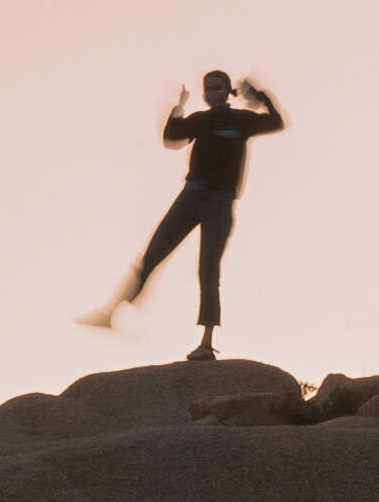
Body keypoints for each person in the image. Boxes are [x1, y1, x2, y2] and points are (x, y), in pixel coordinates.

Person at [82, 71, 283, 353]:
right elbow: (170, 137)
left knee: (208, 270)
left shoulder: (241, 120)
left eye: (217, 87)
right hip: (190, 196)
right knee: (151, 255)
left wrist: (261, 96)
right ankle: (110, 314)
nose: (212, 92)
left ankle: (206, 344)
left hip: (220, 202)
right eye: (207, 88)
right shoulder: (201, 120)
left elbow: (277, 122)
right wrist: (178, 107)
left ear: (227, 91)